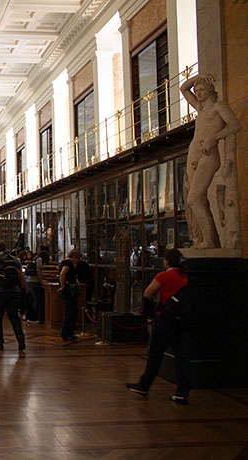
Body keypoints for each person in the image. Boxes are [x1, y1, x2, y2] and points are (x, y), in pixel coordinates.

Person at [181, 74, 241, 249]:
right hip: (194, 157)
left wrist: (214, 138)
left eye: (201, 90)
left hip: (208, 156)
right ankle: (205, 239)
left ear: (209, 90)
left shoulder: (218, 107)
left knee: (194, 198)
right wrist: (198, 77)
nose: (198, 93)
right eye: (197, 90)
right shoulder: (200, 108)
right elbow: (184, 89)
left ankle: (211, 241)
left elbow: (235, 125)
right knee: (199, 201)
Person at [126, 248, 191, 404]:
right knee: (182, 358)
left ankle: (144, 385)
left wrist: (150, 314)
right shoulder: (185, 277)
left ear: (167, 261)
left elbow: (148, 293)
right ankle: (182, 392)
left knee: (155, 355)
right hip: (182, 321)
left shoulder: (164, 276)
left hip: (165, 320)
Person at [0, 241, 29, 350]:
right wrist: (26, 289)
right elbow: (22, 276)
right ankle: (20, 337)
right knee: (14, 316)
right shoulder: (15, 260)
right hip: (13, 291)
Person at [58, 248, 82, 342]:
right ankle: (66, 334)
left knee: (71, 311)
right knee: (70, 312)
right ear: (75, 257)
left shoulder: (68, 263)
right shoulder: (67, 263)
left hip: (69, 291)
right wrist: (63, 286)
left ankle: (68, 333)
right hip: (67, 291)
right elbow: (62, 274)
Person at [24, 250, 43, 323]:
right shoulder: (39, 260)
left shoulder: (34, 259)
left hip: (29, 281)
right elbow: (39, 271)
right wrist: (41, 281)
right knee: (36, 300)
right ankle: (33, 317)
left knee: (31, 300)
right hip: (35, 281)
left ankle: (28, 316)